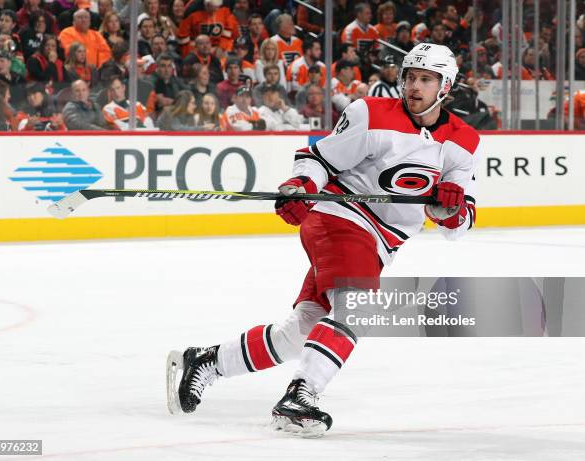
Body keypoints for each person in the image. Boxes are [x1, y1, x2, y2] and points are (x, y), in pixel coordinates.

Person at [167, 43, 479, 437]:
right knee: (358, 309)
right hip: (340, 216)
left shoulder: (463, 141)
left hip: (381, 243)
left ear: (445, 86)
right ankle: (301, 395)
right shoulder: (370, 113)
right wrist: (300, 186)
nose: (414, 86)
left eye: (426, 79)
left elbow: (458, 225)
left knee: (300, 332)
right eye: (410, 77)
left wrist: (448, 208)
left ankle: (207, 361)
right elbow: (320, 158)